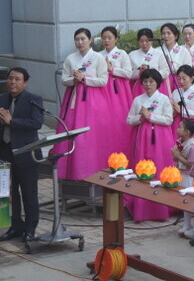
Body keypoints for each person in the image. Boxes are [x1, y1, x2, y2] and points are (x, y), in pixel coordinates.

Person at [54, 28, 121, 181]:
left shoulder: (98, 58)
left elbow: (103, 80)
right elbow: (64, 79)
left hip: (94, 100)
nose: (80, 42)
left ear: (90, 40)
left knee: (94, 135)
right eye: (77, 39)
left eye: (83, 39)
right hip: (74, 100)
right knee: (73, 132)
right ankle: (71, 172)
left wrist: (85, 79)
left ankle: (96, 171)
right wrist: (74, 80)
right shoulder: (70, 58)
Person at [0, 68, 44, 243]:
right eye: (10, 78)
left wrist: (12, 122)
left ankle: (30, 227)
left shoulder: (34, 100)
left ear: (25, 83)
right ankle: (15, 225)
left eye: (17, 79)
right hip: (5, 151)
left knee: (29, 192)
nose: (12, 82)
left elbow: (37, 123)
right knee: (9, 191)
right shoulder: (2, 99)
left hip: (26, 153)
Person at [126, 69, 175, 221]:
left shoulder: (164, 99)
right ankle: (142, 208)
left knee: (160, 168)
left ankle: (162, 208)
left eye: (151, 82)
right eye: (145, 82)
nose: (148, 85)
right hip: (143, 137)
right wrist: (140, 118)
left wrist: (151, 116)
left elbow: (169, 119)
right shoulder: (138, 100)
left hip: (160, 138)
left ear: (157, 83)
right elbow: (129, 119)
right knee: (143, 169)